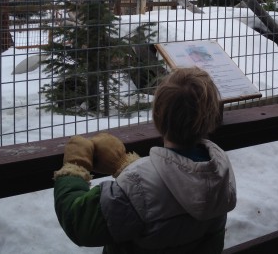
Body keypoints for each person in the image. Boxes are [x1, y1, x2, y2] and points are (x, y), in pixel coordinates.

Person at [53, 67, 237, 254]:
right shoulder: (220, 172)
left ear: (157, 117)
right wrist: (127, 165)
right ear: (211, 117)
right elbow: (175, 182)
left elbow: (79, 222)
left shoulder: (136, 190)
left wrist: (74, 168)